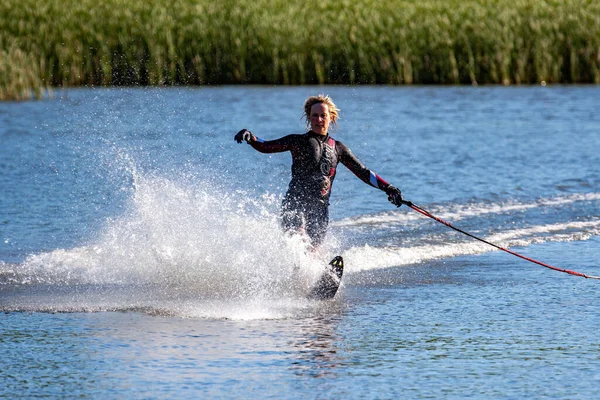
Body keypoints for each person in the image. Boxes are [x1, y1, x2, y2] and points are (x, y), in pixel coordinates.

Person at [234, 94, 403, 248]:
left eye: (323, 115)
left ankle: (315, 279)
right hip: (295, 203)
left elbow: (364, 172)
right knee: (300, 239)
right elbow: (266, 146)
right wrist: (251, 138)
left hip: (320, 209)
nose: (319, 119)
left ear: (331, 117)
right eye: (314, 115)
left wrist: (389, 188)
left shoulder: (339, 149)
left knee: (314, 250)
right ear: (309, 117)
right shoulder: (297, 141)